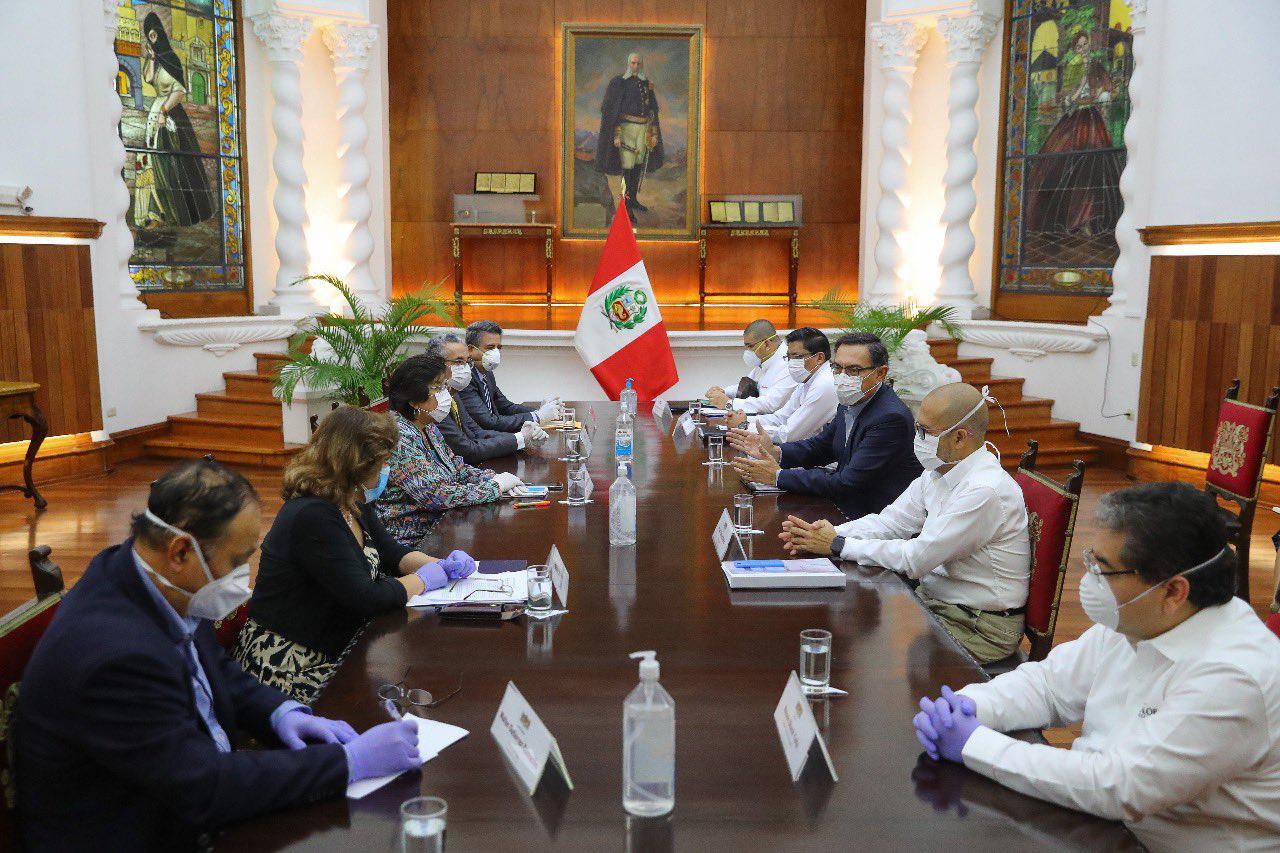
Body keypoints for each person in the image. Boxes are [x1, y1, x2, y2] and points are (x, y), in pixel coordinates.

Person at [15, 458, 423, 850]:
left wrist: (282, 714)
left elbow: (217, 671)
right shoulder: (115, 656)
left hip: (185, 792)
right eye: (237, 560)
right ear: (179, 552)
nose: (243, 576)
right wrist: (348, 763)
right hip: (141, 831)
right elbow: (202, 787)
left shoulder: (143, 577)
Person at [914, 482, 1280, 851]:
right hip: (1099, 825)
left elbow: (1122, 785)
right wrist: (972, 706)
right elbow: (1049, 686)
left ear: (1173, 591)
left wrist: (974, 744)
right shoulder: (1141, 617)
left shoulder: (1233, 677)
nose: (1089, 580)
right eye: (1090, 559)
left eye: (1103, 568)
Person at [233, 407, 474, 704]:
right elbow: (367, 597)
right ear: (357, 464)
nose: (387, 469)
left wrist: (440, 565)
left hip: (336, 641)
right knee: (397, 698)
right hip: (290, 663)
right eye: (383, 462)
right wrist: (423, 580)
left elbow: (391, 553)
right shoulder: (312, 515)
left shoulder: (349, 498)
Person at [779, 382, 1029, 664]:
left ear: (959, 438)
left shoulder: (984, 490)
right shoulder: (938, 472)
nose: (917, 438)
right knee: (847, 632)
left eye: (925, 431)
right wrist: (827, 532)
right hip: (940, 603)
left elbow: (917, 558)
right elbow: (891, 522)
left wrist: (838, 545)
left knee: (869, 656)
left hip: (978, 626)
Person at [728, 332, 920, 519]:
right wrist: (776, 451)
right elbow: (821, 446)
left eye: (853, 370)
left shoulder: (890, 418)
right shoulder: (850, 400)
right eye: (837, 367)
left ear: (880, 373)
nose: (843, 377)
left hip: (870, 515)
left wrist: (777, 476)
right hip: (841, 503)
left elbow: (847, 483)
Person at [375, 352, 527, 545]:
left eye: (445, 386)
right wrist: (494, 487)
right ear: (413, 400)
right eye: (437, 388)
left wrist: (492, 476)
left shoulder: (427, 426)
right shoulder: (399, 437)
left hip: (445, 525)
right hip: (413, 541)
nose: (446, 394)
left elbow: (457, 468)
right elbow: (436, 495)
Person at [429, 333, 547, 464]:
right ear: (436, 363)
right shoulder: (430, 402)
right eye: (458, 362)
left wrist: (522, 438)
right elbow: (467, 451)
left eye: (467, 362)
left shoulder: (452, 393)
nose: (465, 367)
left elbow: (477, 432)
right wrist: (520, 439)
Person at [724, 327, 837, 443]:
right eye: (789, 357)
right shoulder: (807, 378)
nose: (791, 362)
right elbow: (781, 417)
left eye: (797, 357)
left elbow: (789, 434)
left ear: (819, 358)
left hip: (816, 456)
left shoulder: (825, 384)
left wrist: (745, 426)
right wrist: (744, 419)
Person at [595, 51, 664, 218]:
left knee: (638, 166)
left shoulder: (647, 84)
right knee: (626, 167)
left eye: (638, 64)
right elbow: (612, 111)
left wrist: (653, 132)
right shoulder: (619, 83)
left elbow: (653, 110)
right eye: (633, 63)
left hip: (643, 130)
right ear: (628, 64)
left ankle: (632, 199)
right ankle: (625, 205)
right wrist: (616, 134)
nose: (636, 66)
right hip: (626, 129)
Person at [458, 320, 560, 434]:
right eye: (490, 347)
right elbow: (488, 422)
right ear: (471, 350)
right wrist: (537, 416)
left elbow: (506, 407)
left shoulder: (486, 372)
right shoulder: (464, 379)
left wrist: (542, 410)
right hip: (482, 442)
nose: (496, 352)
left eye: (498, 348)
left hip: (495, 437)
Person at [704, 319, 796, 415]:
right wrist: (724, 392)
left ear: (767, 344)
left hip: (776, 424)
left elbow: (771, 404)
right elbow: (747, 387)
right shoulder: (765, 359)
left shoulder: (790, 363)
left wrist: (729, 403)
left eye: (750, 346)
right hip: (759, 420)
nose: (748, 352)